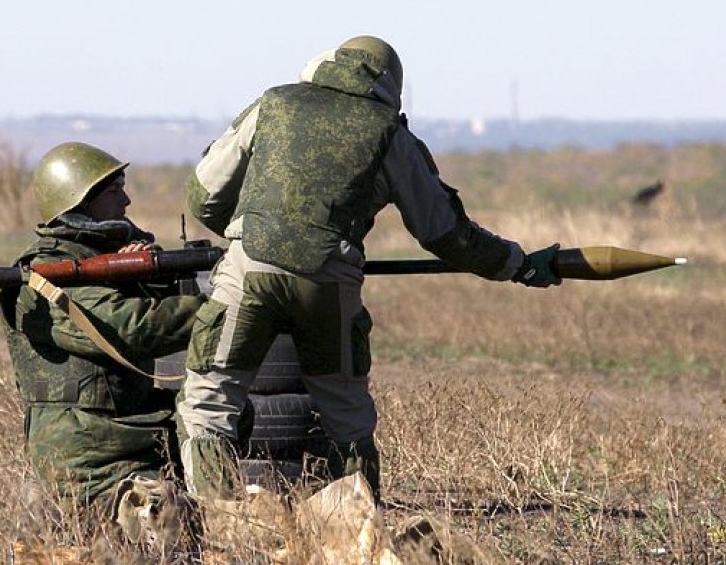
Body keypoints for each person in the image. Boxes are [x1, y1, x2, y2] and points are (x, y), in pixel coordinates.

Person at [176, 35, 561, 503]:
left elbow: (203, 194)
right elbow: (445, 233)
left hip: (246, 273)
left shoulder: (274, 103)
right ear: (390, 86)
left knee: (209, 402)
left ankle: (222, 526)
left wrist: (247, 234)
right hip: (330, 286)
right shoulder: (390, 133)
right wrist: (517, 265)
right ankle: (357, 533)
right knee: (346, 417)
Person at [0, 141, 207, 508]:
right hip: (90, 448)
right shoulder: (43, 277)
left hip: (137, 428)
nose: (126, 202)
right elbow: (131, 327)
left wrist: (148, 270)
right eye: (115, 191)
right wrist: (223, 307)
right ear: (78, 200)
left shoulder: (101, 258)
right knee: (165, 515)